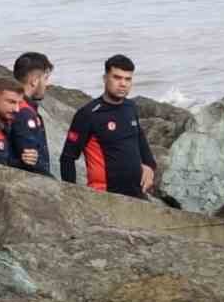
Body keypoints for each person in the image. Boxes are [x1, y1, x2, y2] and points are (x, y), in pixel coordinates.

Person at [58, 54, 157, 199]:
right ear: (105, 79)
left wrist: (149, 165)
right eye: (117, 77)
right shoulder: (88, 114)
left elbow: (139, 137)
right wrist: (73, 196)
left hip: (136, 192)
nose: (123, 83)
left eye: (128, 79)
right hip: (106, 196)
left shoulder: (130, 107)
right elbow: (67, 158)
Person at [7, 52, 53, 175]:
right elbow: (31, 162)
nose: (49, 84)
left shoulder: (14, 107)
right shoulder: (24, 113)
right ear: (34, 81)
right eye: (46, 78)